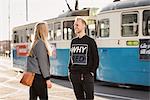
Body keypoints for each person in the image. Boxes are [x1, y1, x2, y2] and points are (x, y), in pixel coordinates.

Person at [68, 17, 99, 100]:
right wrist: (70, 71)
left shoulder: (90, 41)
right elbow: (71, 57)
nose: (75, 26)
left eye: (77, 25)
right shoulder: (73, 41)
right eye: (74, 25)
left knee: (89, 98)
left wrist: (92, 72)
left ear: (84, 26)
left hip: (87, 75)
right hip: (75, 75)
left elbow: (96, 58)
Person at [27, 22, 52, 100]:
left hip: (33, 77)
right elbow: (43, 63)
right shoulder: (41, 44)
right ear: (43, 31)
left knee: (33, 98)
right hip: (39, 78)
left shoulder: (34, 43)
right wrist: (47, 78)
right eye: (47, 29)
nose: (48, 31)